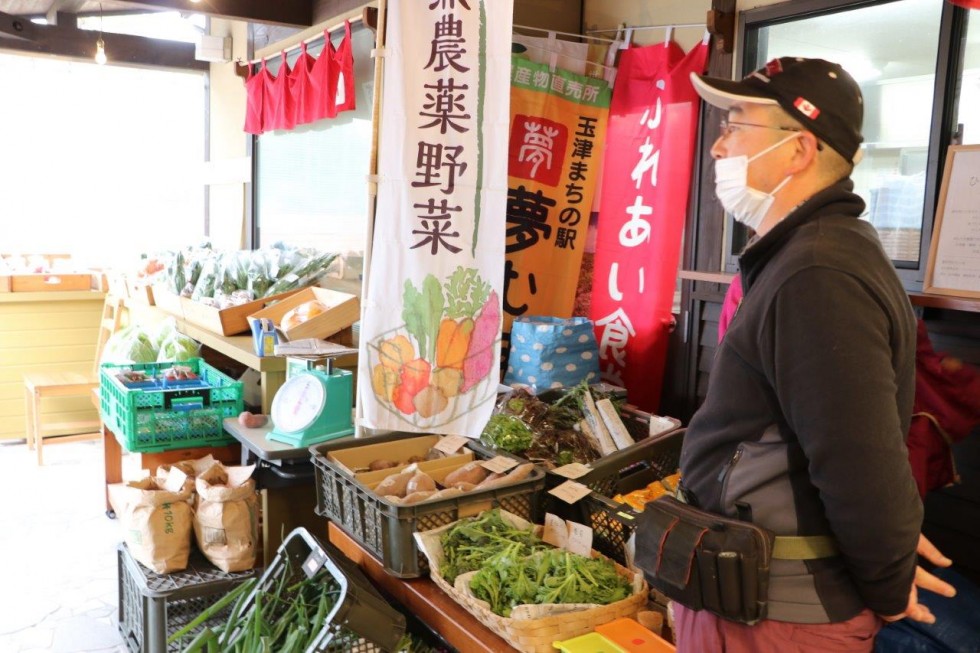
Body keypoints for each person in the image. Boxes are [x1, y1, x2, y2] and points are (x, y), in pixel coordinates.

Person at [671, 57, 955, 652]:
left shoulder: (818, 271)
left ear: (798, 150)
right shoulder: (803, 254)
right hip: (749, 597)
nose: (719, 148)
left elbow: (860, 466)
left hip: (775, 615)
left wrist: (887, 577)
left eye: (736, 124)